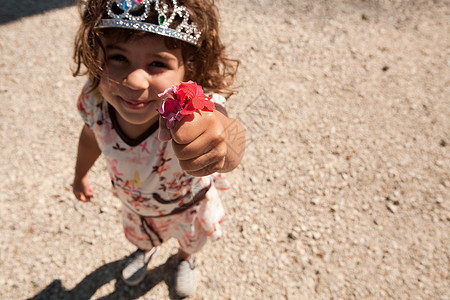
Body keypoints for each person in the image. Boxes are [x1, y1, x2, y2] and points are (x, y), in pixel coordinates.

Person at [71, 0, 245, 297]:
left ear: (188, 69)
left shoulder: (192, 111)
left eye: (157, 63)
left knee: (189, 242)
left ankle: (184, 260)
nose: (135, 81)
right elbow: (91, 137)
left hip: (187, 208)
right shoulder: (95, 103)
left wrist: (222, 140)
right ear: (96, 56)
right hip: (136, 206)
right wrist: (80, 174)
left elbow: (227, 136)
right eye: (118, 57)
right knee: (143, 237)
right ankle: (146, 250)